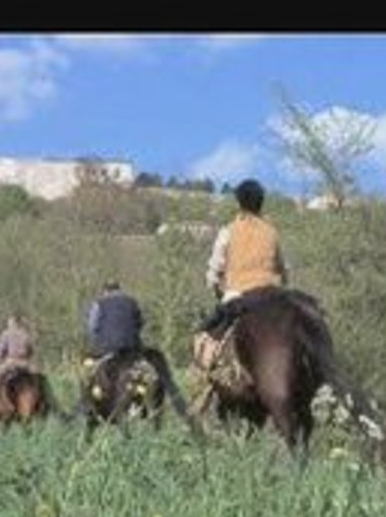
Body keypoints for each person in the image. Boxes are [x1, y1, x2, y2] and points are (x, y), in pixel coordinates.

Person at [81, 280, 189, 419]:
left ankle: (87, 406)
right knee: (147, 369)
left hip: (105, 347)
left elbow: (92, 327)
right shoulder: (132, 302)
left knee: (88, 372)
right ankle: (152, 403)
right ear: (119, 289)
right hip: (130, 347)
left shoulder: (99, 303)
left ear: (105, 291)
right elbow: (140, 323)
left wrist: (98, 341)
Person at [198, 178, 289, 338]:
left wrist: (212, 283)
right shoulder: (272, 233)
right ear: (261, 203)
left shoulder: (228, 231)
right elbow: (283, 268)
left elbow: (215, 268)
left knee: (205, 339)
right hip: (271, 296)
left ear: (239, 204)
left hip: (237, 295)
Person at [0, 314, 36, 395]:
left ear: (12, 323)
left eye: (9, 322)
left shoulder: (6, 334)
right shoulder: (26, 334)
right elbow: (31, 352)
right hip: (25, 364)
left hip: (11, 362)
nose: (8, 324)